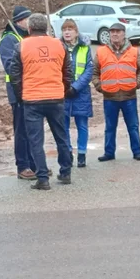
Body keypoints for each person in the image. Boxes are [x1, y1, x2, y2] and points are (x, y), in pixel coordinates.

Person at [5, 13, 74, 190]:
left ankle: (42, 178)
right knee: (61, 136)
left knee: (36, 141)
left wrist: (21, 96)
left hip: (32, 100)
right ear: (46, 28)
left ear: (29, 29)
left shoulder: (21, 46)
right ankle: (65, 172)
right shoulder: (59, 45)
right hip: (56, 98)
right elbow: (68, 72)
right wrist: (63, 90)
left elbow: (15, 75)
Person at [93, 22, 140, 162]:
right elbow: (94, 72)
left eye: (118, 31)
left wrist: (137, 83)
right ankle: (109, 152)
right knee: (110, 127)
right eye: (112, 32)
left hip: (129, 96)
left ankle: (137, 151)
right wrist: (99, 86)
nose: (115, 34)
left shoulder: (133, 51)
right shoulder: (101, 52)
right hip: (109, 96)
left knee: (133, 126)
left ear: (124, 34)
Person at [0, 6, 36, 180]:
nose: (30, 22)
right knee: (22, 130)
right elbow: (10, 67)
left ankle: (35, 164)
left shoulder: (29, 37)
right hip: (18, 90)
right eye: (28, 19)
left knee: (33, 129)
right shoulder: (9, 39)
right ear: (19, 21)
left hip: (34, 89)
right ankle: (23, 166)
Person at [60, 19, 93, 168]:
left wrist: (76, 87)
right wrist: (66, 87)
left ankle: (81, 154)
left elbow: (89, 70)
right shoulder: (58, 47)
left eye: (70, 29)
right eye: (64, 29)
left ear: (76, 32)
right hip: (64, 92)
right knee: (63, 125)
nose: (67, 32)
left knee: (82, 125)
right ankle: (67, 153)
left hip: (81, 92)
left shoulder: (85, 48)